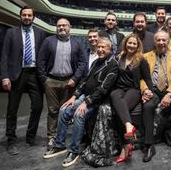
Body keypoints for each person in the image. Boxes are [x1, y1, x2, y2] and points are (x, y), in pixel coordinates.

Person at [43, 37, 119, 168]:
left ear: (110, 49)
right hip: (84, 96)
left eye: (103, 47)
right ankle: (59, 145)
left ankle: (74, 151)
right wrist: (74, 96)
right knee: (63, 109)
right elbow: (84, 81)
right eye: (99, 47)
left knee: (79, 114)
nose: (100, 50)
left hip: (97, 100)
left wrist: (86, 103)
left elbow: (103, 89)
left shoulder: (113, 65)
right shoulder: (96, 62)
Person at [0, 6, 46, 155]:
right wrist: (5, 76)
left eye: (29, 15)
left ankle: (30, 137)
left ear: (33, 17)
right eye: (24, 15)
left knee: (38, 107)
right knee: (12, 109)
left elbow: (43, 56)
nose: (27, 17)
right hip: (16, 74)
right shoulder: (11, 32)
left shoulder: (40, 33)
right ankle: (11, 140)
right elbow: (5, 55)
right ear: (20, 17)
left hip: (34, 74)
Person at [37, 18, 87, 149]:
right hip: (51, 81)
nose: (61, 27)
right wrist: (44, 79)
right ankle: (52, 137)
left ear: (69, 27)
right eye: (59, 25)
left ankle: (61, 137)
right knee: (53, 110)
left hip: (69, 82)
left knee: (64, 111)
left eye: (64, 25)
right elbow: (40, 61)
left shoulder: (76, 43)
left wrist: (75, 79)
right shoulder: (48, 41)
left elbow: (83, 63)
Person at [140, 31, 171, 162]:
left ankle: (168, 133)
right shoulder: (146, 56)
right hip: (152, 89)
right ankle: (149, 145)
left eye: (164, 40)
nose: (161, 43)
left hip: (168, 88)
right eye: (158, 40)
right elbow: (140, 77)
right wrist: (145, 90)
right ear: (154, 42)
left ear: (168, 41)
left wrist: (170, 94)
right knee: (148, 107)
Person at [110, 34, 153, 163]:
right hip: (119, 88)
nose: (132, 45)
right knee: (114, 95)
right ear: (125, 43)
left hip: (133, 89)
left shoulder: (141, 60)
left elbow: (147, 78)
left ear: (138, 46)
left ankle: (124, 148)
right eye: (130, 43)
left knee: (120, 110)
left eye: (134, 43)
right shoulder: (119, 57)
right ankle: (129, 127)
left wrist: (150, 91)